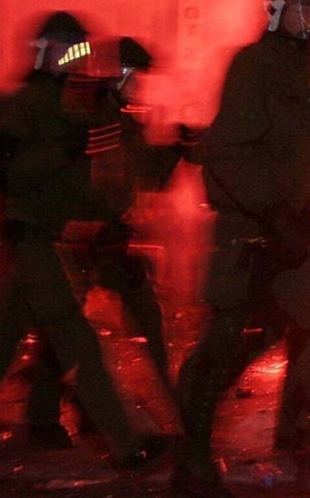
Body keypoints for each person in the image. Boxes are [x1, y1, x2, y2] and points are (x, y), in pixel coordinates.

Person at [173, 0, 310, 498]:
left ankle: (294, 436)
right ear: (276, 10)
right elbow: (228, 152)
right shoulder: (253, 67)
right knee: (229, 340)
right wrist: (271, 209)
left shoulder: (303, 83)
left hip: (292, 230)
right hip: (251, 231)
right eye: (302, 6)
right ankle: (191, 461)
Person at [0, 12, 174, 469]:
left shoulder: (78, 103)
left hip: (56, 244)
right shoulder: (27, 105)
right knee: (76, 340)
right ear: (43, 48)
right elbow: (7, 172)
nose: (72, 57)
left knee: (1, 351)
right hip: (32, 240)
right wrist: (65, 149)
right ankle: (125, 442)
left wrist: (174, 151)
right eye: (64, 47)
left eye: (78, 48)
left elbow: (111, 175)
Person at [16, 36, 187, 448]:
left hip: (101, 239)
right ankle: (172, 418)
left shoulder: (118, 119)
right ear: (119, 75)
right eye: (136, 77)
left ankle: (53, 419)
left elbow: (142, 177)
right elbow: (99, 184)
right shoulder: (94, 120)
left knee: (68, 329)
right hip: (84, 240)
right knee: (72, 329)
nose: (141, 86)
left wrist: (178, 149)